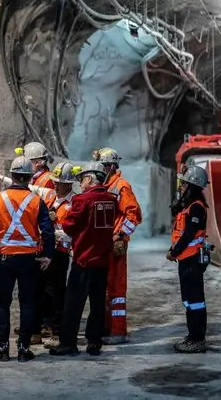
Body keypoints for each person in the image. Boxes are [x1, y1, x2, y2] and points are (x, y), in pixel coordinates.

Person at [0, 160, 77, 343]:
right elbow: (29, 187)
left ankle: (57, 331)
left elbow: (74, 231)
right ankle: (34, 331)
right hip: (42, 253)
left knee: (57, 293)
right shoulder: (49, 195)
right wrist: (1, 178)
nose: (57, 186)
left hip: (59, 253)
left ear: (69, 184)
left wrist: (56, 236)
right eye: (56, 183)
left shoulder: (75, 202)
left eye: (61, 184)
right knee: (36, 294)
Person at [0, 156, 55, 362]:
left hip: (5, 259)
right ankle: (23, 349)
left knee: (2, 304)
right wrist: (47, 255)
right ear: (30, 177)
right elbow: (48, 231)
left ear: (12, 176)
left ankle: (2, 348)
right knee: (28, 304)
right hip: (29, 259)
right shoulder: (36, 200)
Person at [49, 161, 119, 357]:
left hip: (83, 259)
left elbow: (70, 226)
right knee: (97, 303)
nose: (80, 182)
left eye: (82, 178)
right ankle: (94, 342)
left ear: (90, 178)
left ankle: (68, 343)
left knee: (73, 303)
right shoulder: (111, 199)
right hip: (102, 259)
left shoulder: (82, 200)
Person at [93, 147, 142, 344]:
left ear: (111, 166)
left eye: (102, 166)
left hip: (116, 243)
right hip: (105, 243)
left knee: (116, 289)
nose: (99, 170)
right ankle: (106, 327)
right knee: (105, 287)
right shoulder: (105, 185)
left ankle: (118, 331)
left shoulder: (121, 186)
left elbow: (134, 215)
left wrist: (121, 235)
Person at [167, 164, 211, 353]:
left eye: (185, 184)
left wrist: (174, 252)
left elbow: (188, 235)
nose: (181, 187)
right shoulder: (189, 207)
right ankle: (193, 335)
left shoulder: (196, 209)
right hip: (186, 260)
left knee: (195, 301)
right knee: (189, 300)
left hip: (191, 260)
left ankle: (197, 339)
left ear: (192, 186)